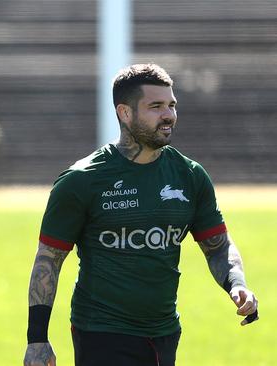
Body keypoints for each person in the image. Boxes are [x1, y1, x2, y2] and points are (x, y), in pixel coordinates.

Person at [23, 63, 259, 366]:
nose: (169, 115)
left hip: (165, 333)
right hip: (102, 333)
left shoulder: (190, 175)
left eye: (172, 105)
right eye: (156, 106)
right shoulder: (82, 180)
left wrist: (237, 283)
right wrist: (37, 339)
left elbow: (218, 245)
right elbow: (49, 259)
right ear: (125, 112)